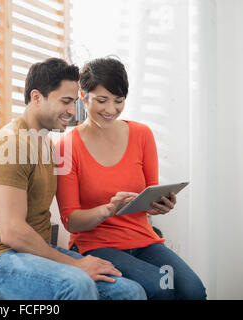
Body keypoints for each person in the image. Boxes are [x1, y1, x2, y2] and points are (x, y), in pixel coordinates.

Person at [0, 58, 147, 300]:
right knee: (77, 283)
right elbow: (12, 233)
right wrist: (77, 264)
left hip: (35, 253)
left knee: (130, 292)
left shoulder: (48, 145)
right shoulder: (10, 144)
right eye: (65, 101)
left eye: (73, 101)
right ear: (37, 97)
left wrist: (112, 206)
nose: (72, 111)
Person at [55, 57, 207, 300]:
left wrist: (161, 205)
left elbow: (149, 196)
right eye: (102, 100)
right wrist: (109, 209)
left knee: (194, 290)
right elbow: (71, 221)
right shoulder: (66, 146)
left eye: (119, 101)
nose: (111, 110)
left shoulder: (142, 135)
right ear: (84, 96)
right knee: (161, 287)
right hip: (97, 244)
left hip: (144, 240)